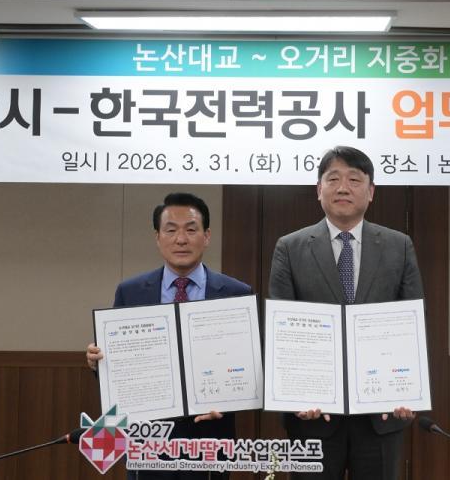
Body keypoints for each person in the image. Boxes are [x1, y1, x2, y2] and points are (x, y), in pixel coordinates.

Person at [268, 146, 424, 480]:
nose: (343, 188)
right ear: (318, 189)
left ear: (371, 191)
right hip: (313, 414)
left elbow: (411, 325)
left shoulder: (399, 246)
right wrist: (296, 395)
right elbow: (282, 332)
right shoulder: (290, 248)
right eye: (333, 179)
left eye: (354, 180)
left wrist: (408, 390)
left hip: (381, 413)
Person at [86, 192, 252, 480]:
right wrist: (99, 362)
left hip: (209, 437)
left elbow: (246, 368)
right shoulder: (130, 292)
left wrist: (229, 402)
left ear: (207, 236)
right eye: (171, 230)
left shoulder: (236, 293)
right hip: (148, 438)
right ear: (157, 237)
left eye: (191, 229)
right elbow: (119, 371)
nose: (181, 239)